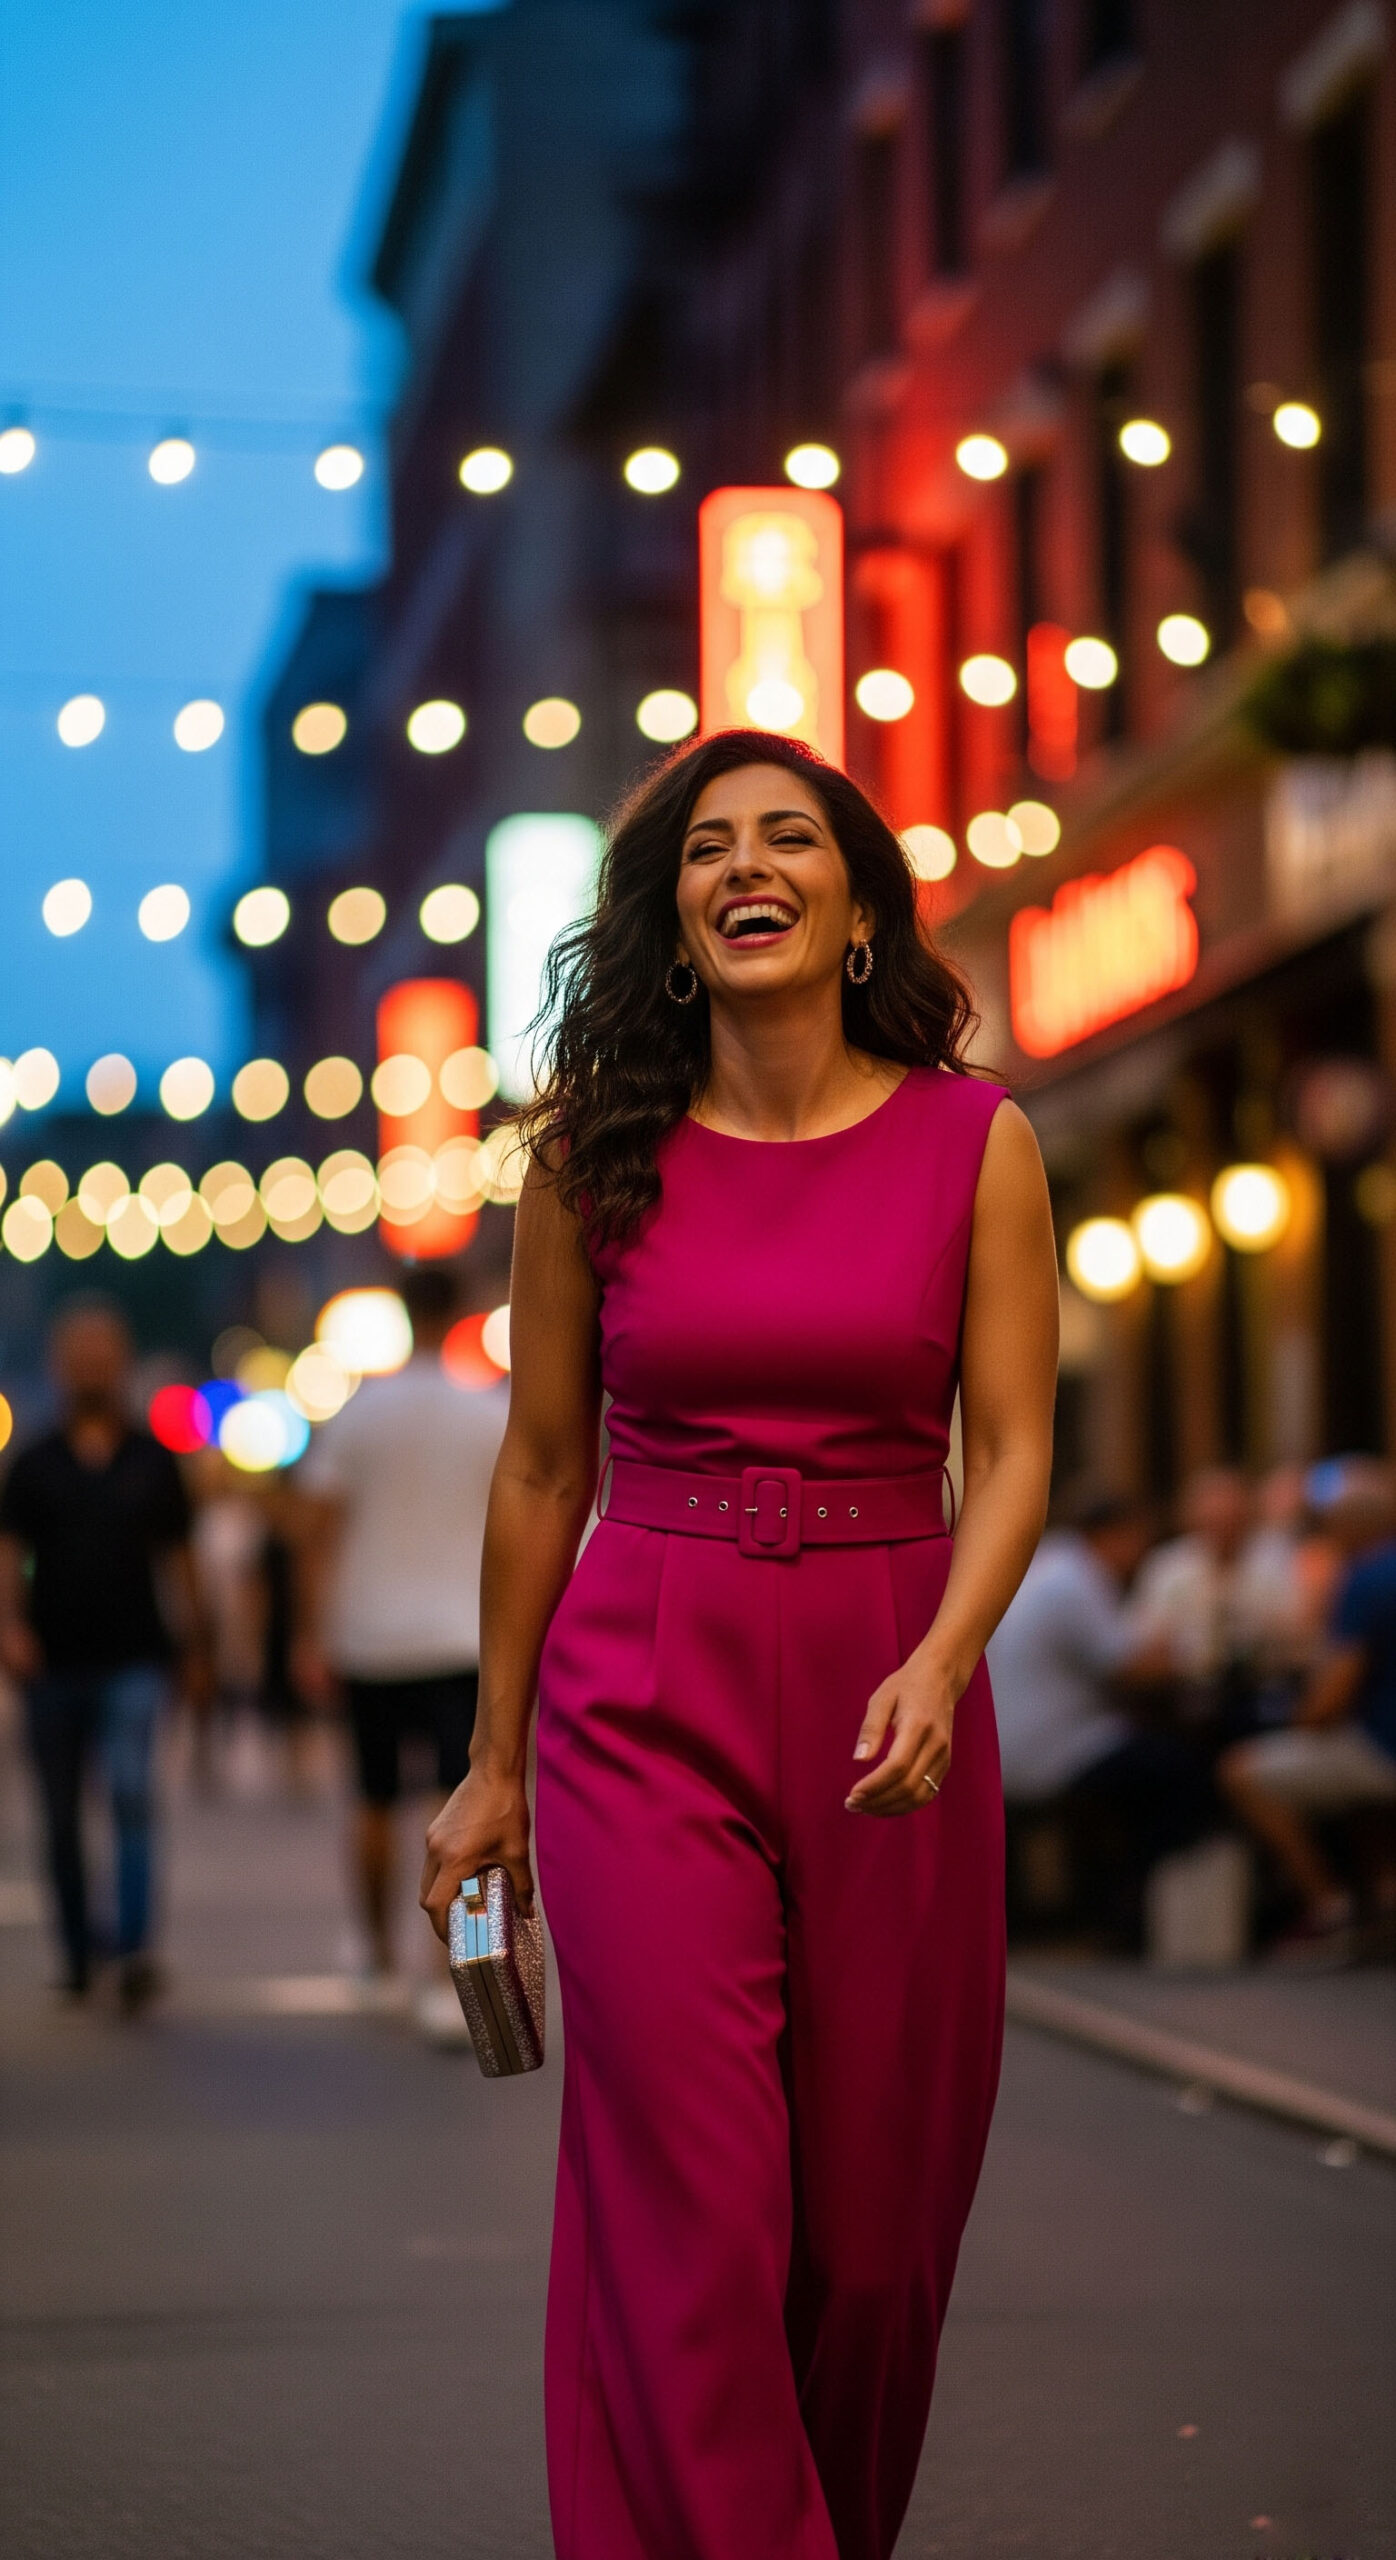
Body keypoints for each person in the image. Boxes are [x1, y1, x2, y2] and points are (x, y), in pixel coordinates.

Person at [419, 730, 1059, 2560]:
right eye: (710, 848)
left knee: (870, 2246)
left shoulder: (976, 1140)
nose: (747, 865)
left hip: (891, 1680)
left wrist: (943, 1655)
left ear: (857, 905)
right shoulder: (588, 1159)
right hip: (643, 1688)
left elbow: (1010, 1449)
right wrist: (492, 1765)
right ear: (674, 919)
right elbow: (544, 1466)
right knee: (693, 2208)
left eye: (791, 838)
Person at [296, 1262, 507, 1978]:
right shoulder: (487, 1411)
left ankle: (375, 1954)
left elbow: (317, 1530)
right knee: (473, 1801)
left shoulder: (359, 1412)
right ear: (462, 1312)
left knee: (372, 1798)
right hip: (463, 1637)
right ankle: (462, 1969)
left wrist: (308, 1632)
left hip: (370, 1634)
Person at [0, 1298, 207, 2008]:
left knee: (131, 1794)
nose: (91, 1367)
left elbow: (181, 1559)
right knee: (59, 1815)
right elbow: (8, 1555)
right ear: (62, 1367)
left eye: (103, 1354)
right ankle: (77, 1946)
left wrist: (195, 1640)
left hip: (135, 1657)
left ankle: (134, 1945)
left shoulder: (155, 1460)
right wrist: (10, 1627)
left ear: (121, 1363)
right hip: (50, 1660)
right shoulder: (32, 1463)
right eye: (78, 1355)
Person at [989, 1493, 1215, 1938]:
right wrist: (1190, 1651)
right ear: (1114, 1535)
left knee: (1154, 1760)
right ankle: (1136, 1909)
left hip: (1010, 1744)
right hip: (1053, 1750)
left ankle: (1125, 1905)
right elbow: (1128, 1666)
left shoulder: (1051, 1563)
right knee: (1183, 1772)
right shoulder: (1074, 1579)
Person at [1220, 1458, 1396, 1954]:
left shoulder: (1363, 1580)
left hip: (1384, 1749)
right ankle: (1381, 1895)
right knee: (1350, 1783)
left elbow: (1330, 1701)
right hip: (1377, 1744)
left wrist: (1300, 1719)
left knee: (1241, 1771)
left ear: (1348, 1529)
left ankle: (1329, 1908)